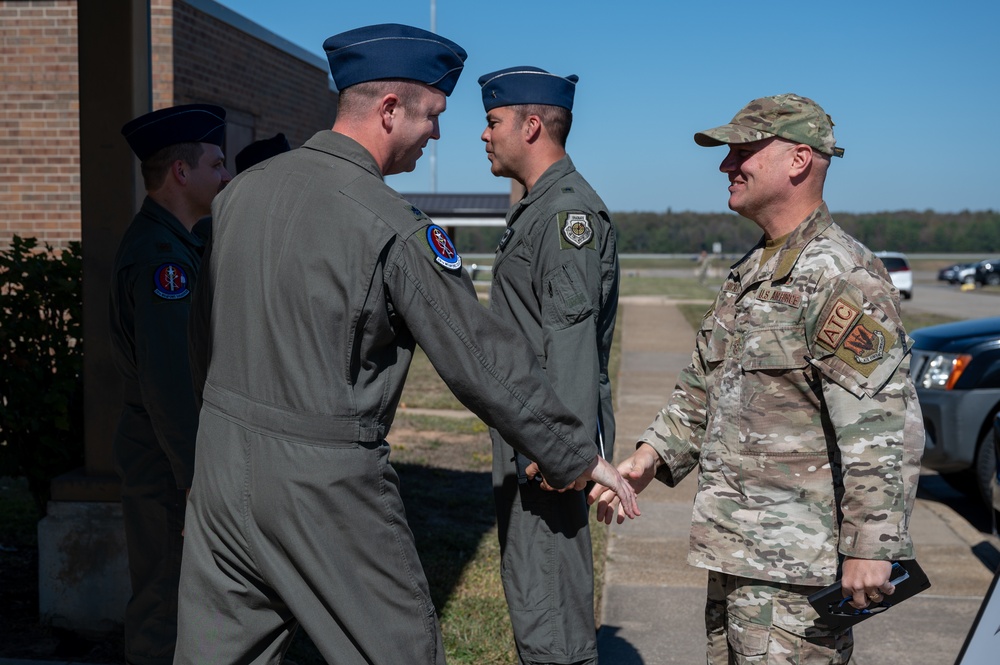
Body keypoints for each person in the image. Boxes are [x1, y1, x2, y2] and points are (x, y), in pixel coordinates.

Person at [174, 24, 638, 665]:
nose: (440, 134)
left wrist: (206, 453)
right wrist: (580, 456)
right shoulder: (392, 224)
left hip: (223, 466)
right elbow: (480, 359)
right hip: (326, 485)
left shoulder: (238, 196)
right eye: (433, 115)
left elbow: (204, 339)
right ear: (390, 110)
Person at [590, 93, 924, 663]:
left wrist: (872, 545)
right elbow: (706, 385)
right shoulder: (754, 271)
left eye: (743, 151)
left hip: (799, 575)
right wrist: (648, 457)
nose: (727, 165)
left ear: (798, 160)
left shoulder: (839, 274)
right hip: (738, 556)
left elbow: (880, 427)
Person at [477, 66, 619, 665]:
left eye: (492, 122)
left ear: (531, 126)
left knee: (551, 619)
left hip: (545, 451)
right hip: (533, 440)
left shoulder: (565, 217)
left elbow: (570, 342)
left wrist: (559, 451)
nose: (484, 135)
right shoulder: (539, 209)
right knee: (536, 603)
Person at [110, 103, 231, 665]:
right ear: (182, 173)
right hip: (167, 464)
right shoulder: (163, 260)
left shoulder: (183, 245)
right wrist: (193, 476)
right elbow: (169, 385)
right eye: (216, 163)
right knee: (164, 604)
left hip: (176, 458)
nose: (226, 176)